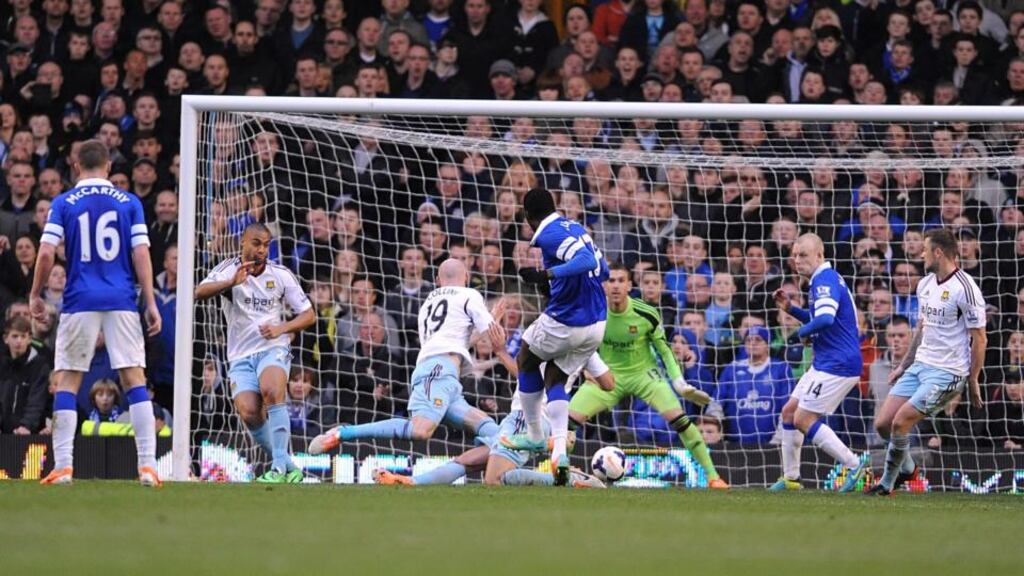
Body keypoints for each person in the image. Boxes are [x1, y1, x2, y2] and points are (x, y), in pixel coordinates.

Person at [31, 140, 162, 487]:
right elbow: (142, 255)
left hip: (79, 300)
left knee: (68, 381)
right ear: (107, 167)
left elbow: (45, 253)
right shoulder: (129, 202)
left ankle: (63, 467)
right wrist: (149, 302)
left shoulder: (63, 203)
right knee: (134, 378)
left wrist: (35, 294)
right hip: (120, 298)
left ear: (76, 166)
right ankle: (147, 466)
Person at [308, 258, 513, 453]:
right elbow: (493, 334)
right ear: (466, 277)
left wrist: (492, 321)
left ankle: (494, 468)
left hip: (441, 374)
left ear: (437, 281)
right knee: (419, 430)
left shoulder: (427, 304)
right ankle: (343, 433)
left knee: (491, 431)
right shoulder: (469, 294)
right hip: (438, 373)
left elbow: (460, 343)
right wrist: (499, 335)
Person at [566, 263, 728, 488]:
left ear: (630, 285)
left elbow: (664, 350)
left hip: (645, 376)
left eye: (621, 280)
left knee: (680, 420)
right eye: (611, 280)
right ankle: (560, 471)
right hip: (607, 377)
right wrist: (586, 369)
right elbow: (579, 344)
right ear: (604, 285)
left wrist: (679, 384)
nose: (615, 285)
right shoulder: (593, 312)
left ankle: (713, 477)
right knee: (566, 423)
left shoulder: (647, 313)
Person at [501, 187, 609, 485]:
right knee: (555, 378)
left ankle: (535, 435)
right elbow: (604, 270)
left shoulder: (549, 235)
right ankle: (559, 450)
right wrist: (562, 284)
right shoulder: (574, 227)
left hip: (567, 319)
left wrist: (547, 276)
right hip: (597, 321)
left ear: (528, 217)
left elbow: (586, 261)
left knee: (525, 356)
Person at [868, 229, 987, 496]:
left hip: (948, 372)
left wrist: (973, 378)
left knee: (901, 423)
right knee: (883, 424)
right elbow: (921, 328)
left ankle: (886, 484)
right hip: (920, 365)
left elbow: (980, 338)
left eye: (924, 249)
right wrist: (903, 365)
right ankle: (908, 468)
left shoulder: (965, 289)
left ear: (938, 252)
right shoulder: (925, 284)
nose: (920, 254)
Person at [195, 222, 316, 483]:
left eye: (266, 244)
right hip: (239, 355)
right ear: (243, 242)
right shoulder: (228, 268)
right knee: (249, 411)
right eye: (257, 243)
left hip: (273, 347)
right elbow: (198, 292)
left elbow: (308, 315)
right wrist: (230, 282)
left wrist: (282, 327)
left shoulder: (281, 275)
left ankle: (279, 469)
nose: (262, 249)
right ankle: (289, 465)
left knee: (272, 391)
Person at [374, 354, 610, 489]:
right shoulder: (586, 342)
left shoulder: (544, 331)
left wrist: (501, 352)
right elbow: (608, 383)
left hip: (527, 418)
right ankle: (409, 482)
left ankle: (571, 479)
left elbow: (525, 372)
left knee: (494, 479)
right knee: (469, 461)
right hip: (525, 417)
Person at [770, 233, 867, 492]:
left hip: (838, 364)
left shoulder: (824, 279)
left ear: (819, 255)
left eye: (803, 255)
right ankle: (791, 478)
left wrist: (802, 333)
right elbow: (821, 317)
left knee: (803, 417)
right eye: (795, 256)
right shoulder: (821, 280)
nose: (797, 261)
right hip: (826, 361)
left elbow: (824, 320)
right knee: (789, 412)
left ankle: (855, 464)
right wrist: (791, 309)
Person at [0, 316, 50, 434]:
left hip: (30, 435)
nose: (19, 341)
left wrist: (27, 425)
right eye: (15, 336)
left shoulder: (40, 365)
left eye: (23, 336)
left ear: (29, 339)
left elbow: (37, 401)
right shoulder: (3, 365)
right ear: (5, 339)